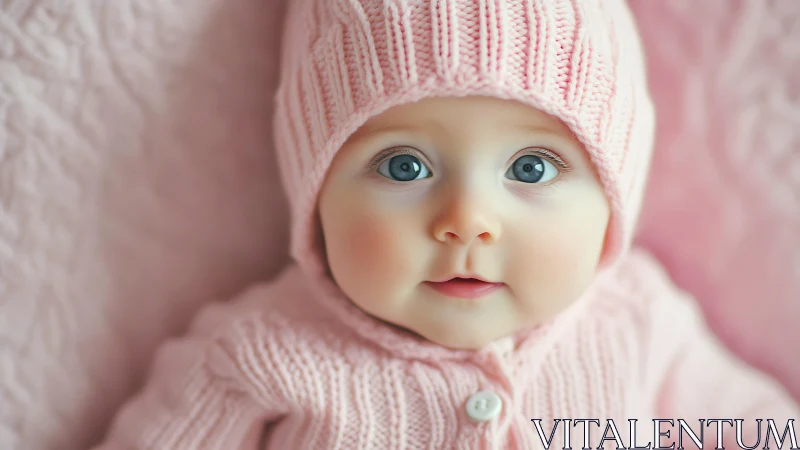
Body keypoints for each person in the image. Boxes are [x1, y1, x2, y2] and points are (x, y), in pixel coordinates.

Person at [94, 0, 800, 448]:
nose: (466, 222)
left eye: (531, 169)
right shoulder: (262, 356)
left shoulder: (640, 325)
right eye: (404, 167)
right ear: (313, 191)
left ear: (617, 195)